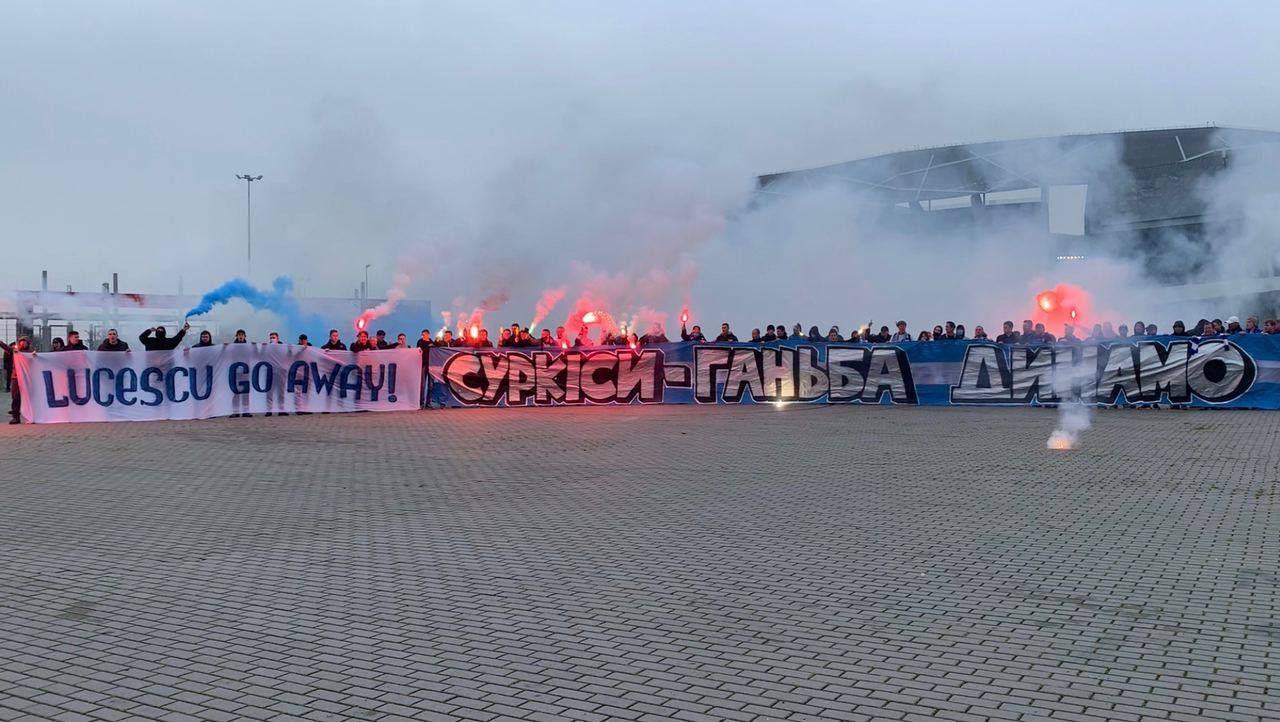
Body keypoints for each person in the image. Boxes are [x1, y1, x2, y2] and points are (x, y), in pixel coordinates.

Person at [0, 336, 32, 423]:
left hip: (26, 377)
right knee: (15, 397)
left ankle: (30, 415)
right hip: (16, 377)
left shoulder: (30, 353)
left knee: (28, 397)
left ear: (28, 344)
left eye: (25, 342)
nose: (23, 343)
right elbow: (6, 347)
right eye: (21, 342)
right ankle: (16, 416)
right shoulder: (15, 351)